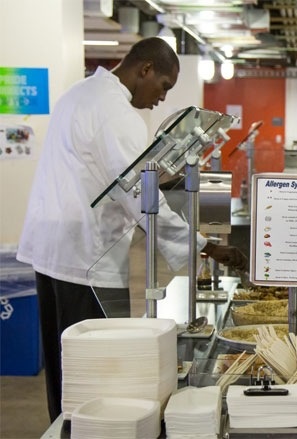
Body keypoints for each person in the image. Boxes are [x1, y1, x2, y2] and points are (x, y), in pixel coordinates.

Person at [16, 37, 248, 422]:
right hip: (85, 257)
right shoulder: (116, 113)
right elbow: (140, 196)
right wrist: (206, 246)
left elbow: (111, 176)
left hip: (52, 251)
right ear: (145, 69)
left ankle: (65, 426)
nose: (162, 98)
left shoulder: (80, 94)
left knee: (65, 369)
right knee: (93, 374)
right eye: (163, 86)